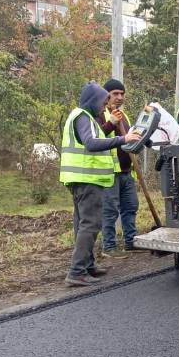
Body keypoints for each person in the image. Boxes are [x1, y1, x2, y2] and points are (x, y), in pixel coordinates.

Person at [60, 82, 141, 286]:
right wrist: (123, 139)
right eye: (103, 101)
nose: (104, 106)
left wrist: (111, 126)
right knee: (90, 224)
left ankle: (87, 265)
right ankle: (77, 271)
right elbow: (91, 143)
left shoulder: (83, 117)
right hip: (86, 179)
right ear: (94, 100)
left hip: (82, 179)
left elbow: (95, 138)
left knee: (82, 223)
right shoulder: (83, 117)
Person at [98, 78, 140, 255]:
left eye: (122, 94)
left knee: (131, 207)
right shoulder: (100, 115)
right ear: (106, 95)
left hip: (126, 172)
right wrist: (111, 123)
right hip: (110, 173)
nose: (120, 97)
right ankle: (109, 246)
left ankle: (131, 242)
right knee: (110, 210)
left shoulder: (124, 116)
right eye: (115, 93)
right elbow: (97, 139)